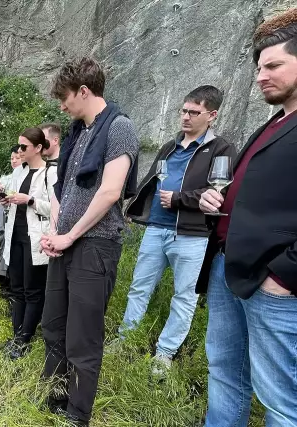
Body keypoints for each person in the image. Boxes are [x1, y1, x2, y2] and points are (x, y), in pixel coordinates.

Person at [197, 10, 297, 426]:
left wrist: (285, 275)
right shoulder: (275, 122)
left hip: (273, 282)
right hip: (229, 267)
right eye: (258, 68)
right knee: (224, 374)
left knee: (281, 401)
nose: (261, 76)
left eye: (273, 65)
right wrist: (216, 202)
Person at [39, 57, 139, 426]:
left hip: (96, 246)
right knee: (54, 325)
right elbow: (63, 191)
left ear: (83, 91)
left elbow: (111, 192)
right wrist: (55, 235)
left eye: (64, 97)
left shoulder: (120, 127)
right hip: (66, 244)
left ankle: (77, 415)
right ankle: (55, 396)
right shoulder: (77, 132)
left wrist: (68, 236)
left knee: (82, 337)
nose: (61, 105)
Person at [120, 85, 236, 374]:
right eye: (183, 110)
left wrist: (179, 199)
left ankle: (165, 353)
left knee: (184, 297)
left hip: (192, 236)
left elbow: (220, 193)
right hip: (156, 230)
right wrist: (134, 209)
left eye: (193, 112)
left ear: (212, 115)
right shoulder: (169, 146)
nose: (185, 116)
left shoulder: (221, 149)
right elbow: (152, 181)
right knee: (139, 288)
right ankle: (125, 340)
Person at [0, 128, 57, 359]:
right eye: (19, 146)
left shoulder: (50, 173)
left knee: (33, 290)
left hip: (35, 238)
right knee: (17, 288)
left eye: (24, 147)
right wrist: (6, 199)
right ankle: (17, 334)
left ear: (39, 148)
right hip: (15, 236)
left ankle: (25, 338)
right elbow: (14, 198)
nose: (20, 151)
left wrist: (30, 200)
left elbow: (55, 207)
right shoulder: (19, 172)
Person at [0, 145, 22, 299]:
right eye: (12, 158)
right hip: (1, 222)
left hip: (15, 223)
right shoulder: (6, 178)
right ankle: (3, 286)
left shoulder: (26, 178)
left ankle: (12, 290)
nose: (14, 161)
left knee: (11, 255)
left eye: (17, 157)